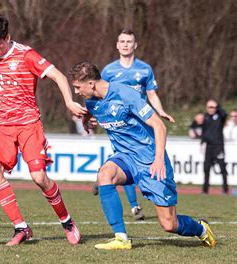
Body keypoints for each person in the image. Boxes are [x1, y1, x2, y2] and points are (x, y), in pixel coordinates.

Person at [69, 61, 216, 250]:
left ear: (90, 83)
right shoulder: (91, 101)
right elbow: (92, 110)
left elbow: (159, 126)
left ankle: (201, 229)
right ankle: (121, 238)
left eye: (77, 87)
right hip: (126, 158)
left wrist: (158, 160)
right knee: (105, 174)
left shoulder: (127, 95)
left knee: (169, 225)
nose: (76, 92)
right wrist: (87, 119)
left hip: (150, 160)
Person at [0, 14, 86, 246]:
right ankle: (21, 228)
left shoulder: (26, 55)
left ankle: (66, 220)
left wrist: (68, 102)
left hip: (27, 124)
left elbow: (57, 76)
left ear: (7, 37)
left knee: (39, 177)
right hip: (0, 125)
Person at [97, 29, 176, 220]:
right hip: (122, 125)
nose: (125, 44)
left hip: (142, 124)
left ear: (135, 45)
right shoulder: (109, 71)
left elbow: (151, 94)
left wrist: (160, 111)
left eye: (129, 41)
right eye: (122, 41)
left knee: (143, 162)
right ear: (117, 45)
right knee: (124, 161)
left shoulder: (144, 69)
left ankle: (155, 196)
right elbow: (102, 95)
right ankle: (134, 206)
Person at [201, 99, 228, 194]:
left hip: (218, 146)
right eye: (209, 107)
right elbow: (204, 131)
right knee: (206, 168)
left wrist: (218, 106)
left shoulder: (220, 116)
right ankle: (205, 190)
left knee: (222, 168)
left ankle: (225, 190)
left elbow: (225, 113)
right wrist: (202, 142)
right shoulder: (206, 117)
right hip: (208, 147)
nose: (211, 109)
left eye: (213, 107)